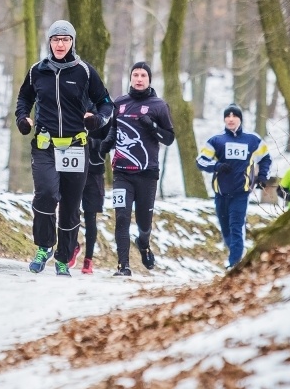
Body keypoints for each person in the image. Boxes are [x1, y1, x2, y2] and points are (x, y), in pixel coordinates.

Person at [15, 19, 113, 276]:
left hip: (75, 147)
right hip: (45, 145)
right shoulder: (37, 70)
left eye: (65, 39)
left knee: (70, 205)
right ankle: (43, 247)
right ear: (49, 42)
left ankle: (63, 257)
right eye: (56, 39)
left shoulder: (85, 72)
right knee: (46, 193)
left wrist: (97, 119)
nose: (60, 44)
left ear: (72, 42)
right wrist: (22, 118)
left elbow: (105, 103)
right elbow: (24, 97)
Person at [99, 62, 175, 277]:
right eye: (135, 75)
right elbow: (115, 130)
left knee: (143, 223)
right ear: (130, 78)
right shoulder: (120, 103)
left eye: (143, 75)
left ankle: (143, 243)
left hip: (147, 173)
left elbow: (169, 138)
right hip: (122, 172)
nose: (139, 79)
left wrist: (152, 126)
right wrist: (105, 146)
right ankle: (123, 266)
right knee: (121, 217)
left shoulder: (159, 105)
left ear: (149, 79)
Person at [196, 103, 271, 270]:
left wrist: (262, 176)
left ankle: (234, 264)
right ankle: (235, 256)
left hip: (241, 192)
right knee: (226, 230)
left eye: (234, 116)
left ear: (240, 119)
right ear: (224, 119)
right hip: (221, 192)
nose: (231, 119)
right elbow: (200, 161)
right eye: (227, 116)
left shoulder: (252, 140)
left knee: (236, 226)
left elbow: (266, 158)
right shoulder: (216, 140)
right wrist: (216, 167)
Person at [67, 104, 109, 274]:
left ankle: (88, 260)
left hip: (94, 174)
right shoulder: (72, 107)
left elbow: (108, 140)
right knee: (70, 213)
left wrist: (92, 142)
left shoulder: (103, 113)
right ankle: (72, 248)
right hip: (74, 170)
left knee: (90, 217)